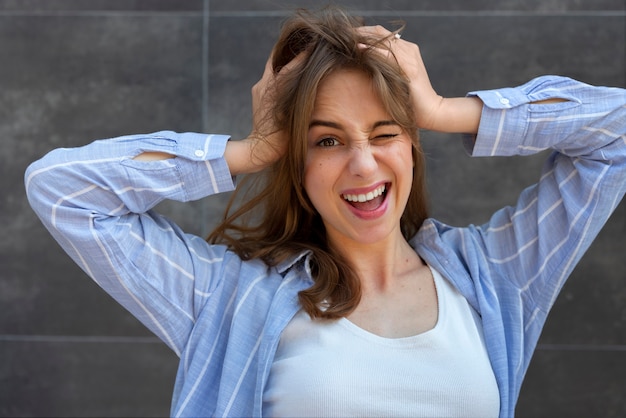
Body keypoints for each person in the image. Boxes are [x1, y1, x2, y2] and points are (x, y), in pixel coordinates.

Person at [24, 6, 626, 418]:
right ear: (298, 161)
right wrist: (250, 149)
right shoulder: (230, 299)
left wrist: (445, 110)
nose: (363, 166)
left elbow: (615, 134)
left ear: (412, 146)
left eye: (385, 132)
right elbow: (65, 192)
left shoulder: (495, 277)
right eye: (328, 140)